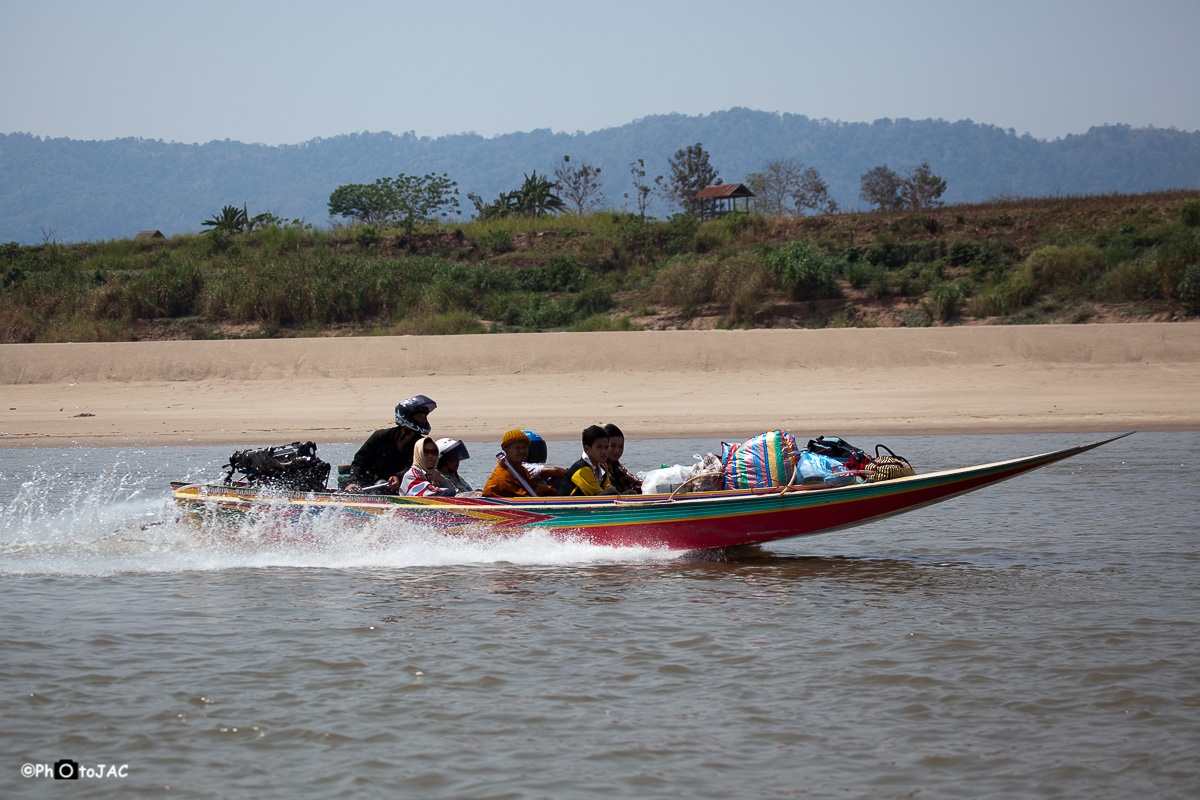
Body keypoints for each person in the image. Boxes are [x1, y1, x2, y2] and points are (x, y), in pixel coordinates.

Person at [345, 395, 436, 493]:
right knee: (379, 483)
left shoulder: (421, 444)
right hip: (374, 485)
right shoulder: (380, 436)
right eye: (419, 416)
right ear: (407, 417)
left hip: (405, 488)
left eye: (424, 417)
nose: (423, 420)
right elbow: (360, 461)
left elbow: (418, 468)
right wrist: (353, 482)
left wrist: (398, 478)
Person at [482, 430, 559, 498]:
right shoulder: (502, 476)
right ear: (506, 450)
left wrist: (550, 490)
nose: (522, 451)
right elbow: (522, 497)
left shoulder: (521, 469)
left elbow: (533, 487)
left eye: (525, 447)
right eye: (517, 448)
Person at [563, 425, 617, 496]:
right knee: (611, 491)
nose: (604, 451)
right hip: (570, 505)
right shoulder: (581, 470)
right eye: (599, 447)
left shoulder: (602, 470)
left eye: (606, 447)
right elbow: (599, 496)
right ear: (587, 449)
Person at [603, 423, 643, 494]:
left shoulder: (616, 465)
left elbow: (636, 483)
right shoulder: (599, 467)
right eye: (613, 446)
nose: (617, 450)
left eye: (621, 446)